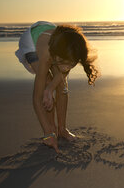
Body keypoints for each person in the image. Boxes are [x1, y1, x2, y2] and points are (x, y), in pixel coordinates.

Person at [15, 21, 98, 152]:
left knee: (62, 86)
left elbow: (64, 70)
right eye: (64, 63)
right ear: (56, 56)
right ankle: (52, 130)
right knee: (46, 81)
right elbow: (37, 99)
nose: (67, 68)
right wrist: (47, 132)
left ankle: (62, 129)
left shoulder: (72, 51)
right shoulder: (47, 55)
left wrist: (51, 89)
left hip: (56, 40)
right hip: (31, 40)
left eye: (72, 64)